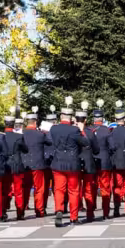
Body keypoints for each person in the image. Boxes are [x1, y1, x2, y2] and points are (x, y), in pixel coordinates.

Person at [48, 97, 85, 228]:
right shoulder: (74, 130)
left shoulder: (54, 129)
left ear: (61, 116)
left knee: (59, 189)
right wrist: (81, 130)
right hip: (72, 163)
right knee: (73, 191)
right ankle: (74, 217)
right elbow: (85, 143)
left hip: (58, 162)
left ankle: (59, 209)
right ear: (71, 118)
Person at [21, 107, 49, 218]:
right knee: (39, 189)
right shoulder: (40, 134)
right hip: (38, 164)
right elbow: (49, 142)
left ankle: (22, 210)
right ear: (36, 122)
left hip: (25, 165)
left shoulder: (22, 133)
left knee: (25, 188)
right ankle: (39, 210)